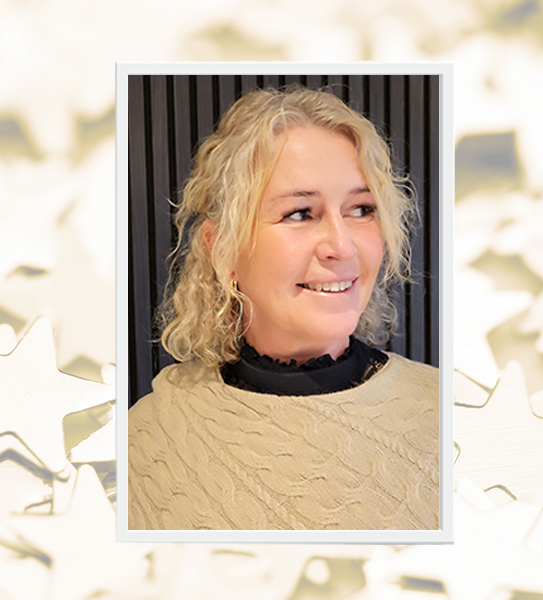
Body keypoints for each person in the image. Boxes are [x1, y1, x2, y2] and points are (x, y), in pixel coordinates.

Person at [128, 86, 439, 530]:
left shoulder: (452, 412)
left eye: (361, 209)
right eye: (300, 213)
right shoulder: (146, 441)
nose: (342, 246)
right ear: (223, 248)